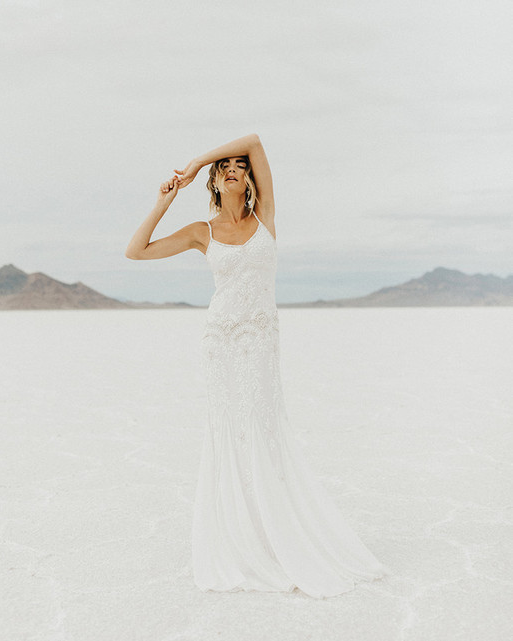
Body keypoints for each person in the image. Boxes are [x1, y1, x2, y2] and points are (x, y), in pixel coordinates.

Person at [125, 133, 391, 598]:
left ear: (248, 178)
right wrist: (165, 201)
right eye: (224, 167)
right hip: (221, 342)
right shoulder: (202, 232)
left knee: (264, 429)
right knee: (230, 433)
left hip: (261, 342)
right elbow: (136, 250)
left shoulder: (265, 215)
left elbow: (253, 140)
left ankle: (276, 537)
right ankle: (239, 542)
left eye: (239, 166)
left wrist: (198, 160)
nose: (233, 168)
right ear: (214, 183)